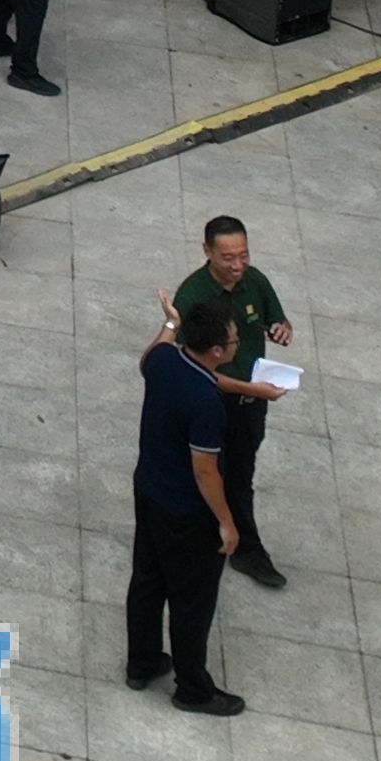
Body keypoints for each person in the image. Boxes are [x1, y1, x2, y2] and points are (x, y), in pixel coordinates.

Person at [125, 297, 246, 716]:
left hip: (149, 491)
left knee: (147, 579)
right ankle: (193, 689)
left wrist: (171, 322)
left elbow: (151, 354)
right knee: (192, 602)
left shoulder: (164, 363)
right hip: (188, 514)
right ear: (216, 351)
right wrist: (227, 522)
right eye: (233, 340)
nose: (236, 344)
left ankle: (141, 663)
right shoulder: (205, 402)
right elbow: (205, 472)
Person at [170, 218, 294, 588]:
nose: (238, 265)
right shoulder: (193, 297)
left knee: (240, 476)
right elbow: (196, 370)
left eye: (243, 255)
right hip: (212, 404)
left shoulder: (255, 281)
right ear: (207, 252)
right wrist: (252, 389)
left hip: (251, 404)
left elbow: (278, 318)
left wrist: (283, 328)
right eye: (228, 258)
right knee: (201, 473)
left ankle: (245, 549)